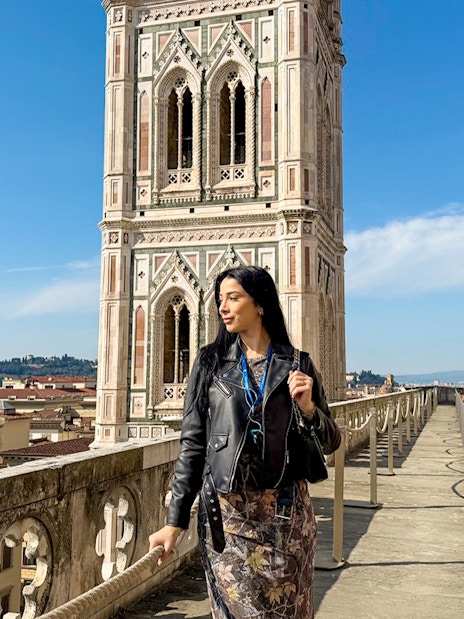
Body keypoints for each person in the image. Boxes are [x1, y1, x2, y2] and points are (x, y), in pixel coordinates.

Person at [149, 265, 341, 618]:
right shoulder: (210, 364)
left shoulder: (298, 364)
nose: (222, 307)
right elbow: (193, 446)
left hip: (286, 520)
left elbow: (332, 441)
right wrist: (174, 521)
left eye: (233, 298)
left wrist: (309, 408)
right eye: (220, 299)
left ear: (261, 304)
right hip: (228, 521)